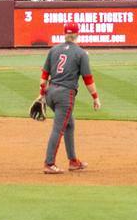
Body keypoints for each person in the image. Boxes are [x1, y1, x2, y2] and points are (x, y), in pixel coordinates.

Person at [38, 21, 101, 173]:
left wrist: (41, 95)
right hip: (65, 95)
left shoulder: (54, 50)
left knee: (69, 124)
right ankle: (49, 163)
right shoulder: (81, 53)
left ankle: (73, 161)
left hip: (51, 93)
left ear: (65, 34)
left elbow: (44, 75)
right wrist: (95, 97)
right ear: (78, 34)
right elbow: (88, 79)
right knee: (58, 129)